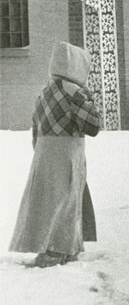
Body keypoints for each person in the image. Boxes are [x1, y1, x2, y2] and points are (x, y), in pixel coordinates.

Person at [9, 42, 102, 267]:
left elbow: (35, 129)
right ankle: (62, 249)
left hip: (43, 155)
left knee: (45, 203)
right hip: (68, 154)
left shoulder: (43, 93)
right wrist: (91, 102)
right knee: (68, 201)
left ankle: (47, 246)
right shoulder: (75, 93)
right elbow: (93, 126)